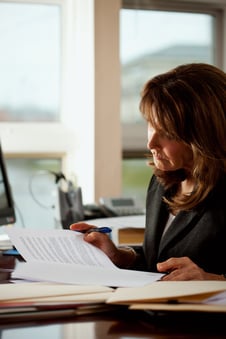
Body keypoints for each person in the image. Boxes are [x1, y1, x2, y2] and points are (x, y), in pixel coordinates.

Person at [70, 63, 226, 281]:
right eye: (151, 125)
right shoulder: (162, 183)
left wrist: (211, 280)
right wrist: (118, 256)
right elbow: (158, 261)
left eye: (167, 133)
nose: (151, 142)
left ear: (203, 136)